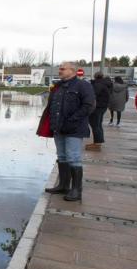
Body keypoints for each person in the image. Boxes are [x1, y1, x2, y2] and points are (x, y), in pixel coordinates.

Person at [38, 62, 95, 201]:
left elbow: (88, 105)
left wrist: (72, 120)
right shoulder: (58, 87)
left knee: (73, 157)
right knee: (62, 156)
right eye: (60, 68)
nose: (60, 71)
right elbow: (52, 106)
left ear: (73, 71)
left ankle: (76, 190)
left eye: (63, 69)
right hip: (58, 127)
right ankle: (63, 185)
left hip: (74, 129)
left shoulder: (83, 85)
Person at [86, 72, 112, 150]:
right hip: (103, 107)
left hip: (97, 107)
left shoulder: (98, 85)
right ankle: (98, 142)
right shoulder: (105, 84)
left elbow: (92, 95)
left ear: (95, 76)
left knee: (95, 125)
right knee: (98, 125)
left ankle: (97, 144)